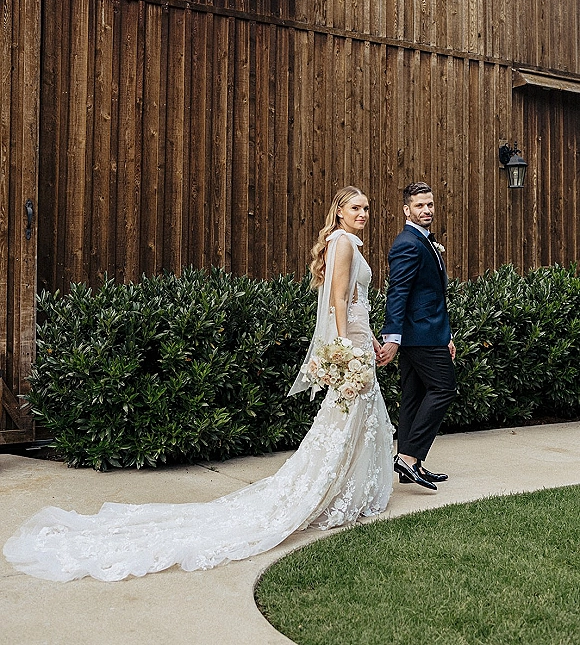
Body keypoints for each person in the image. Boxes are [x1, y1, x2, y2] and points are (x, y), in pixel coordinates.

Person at [4, 186, 393, 581]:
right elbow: (338, 303)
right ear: (339, 210)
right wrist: (346, 348)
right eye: (356, 207)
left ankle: (349, 490)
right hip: (351, 347)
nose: (363, 213)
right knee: (344, 423)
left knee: (354, 422)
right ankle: (333, 493)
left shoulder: (345, 242)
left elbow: (357, 303)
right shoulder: (343, 243)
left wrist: (371, 341)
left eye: (367, 207)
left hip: (360, 342)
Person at [377, 182, 456, 491]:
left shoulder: (422, 240)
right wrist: (393, 336)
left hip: (429, 331)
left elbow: (433, 295)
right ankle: (409, 457)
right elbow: (397, 293)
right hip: (419, 334)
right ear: (406, 210)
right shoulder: (407, 243)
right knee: (444, 388)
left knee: (414, 396)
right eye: (420, 206)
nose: (427, 210)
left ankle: (412, 463)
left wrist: (446, 334)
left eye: (430, 205)